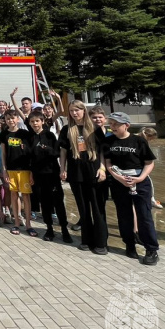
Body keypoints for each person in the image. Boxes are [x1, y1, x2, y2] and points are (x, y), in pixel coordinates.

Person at [103, 112, 159, 265]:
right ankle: (129, 244)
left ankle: (151, 249)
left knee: (144, 215)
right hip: (118, 182)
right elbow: (108, 163)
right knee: (124, 215)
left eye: (116, 124)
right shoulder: (108, 141)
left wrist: (140, 178)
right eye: (111, 123)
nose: (112, 126)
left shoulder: (139, 141)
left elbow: (149, 162)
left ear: (126, 125)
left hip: (139, 182)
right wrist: (118, 177)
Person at [58, 100, 108, 255]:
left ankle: (101, 243)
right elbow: (64, 151)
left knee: (98, 208)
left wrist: (102, 168)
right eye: (72, 111)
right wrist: (63, 169)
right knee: (83, 209)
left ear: (84, 111)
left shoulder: (94, 128)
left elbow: (103, 151)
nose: (74, 113)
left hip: (94, 172)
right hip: (76, 173)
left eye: (77, 110)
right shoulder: (67, 129)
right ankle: (86, 240)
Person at [28, 112, 71, 243]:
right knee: (45, 202)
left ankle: (64, 229)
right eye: (32, 121)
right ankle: (49, 228)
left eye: (37, 121)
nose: (35, 124)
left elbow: (57, 152)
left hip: (51, 173)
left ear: (42, 121)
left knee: (58, 201)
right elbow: (30, 158)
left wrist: (46, 149)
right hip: (38, 175)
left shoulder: (49, 135)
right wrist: (31, 174)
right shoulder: (31, 138)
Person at [0, 111, 36, 237]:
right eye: (8, 118)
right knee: (14, 195)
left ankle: (28, 224)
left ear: (17, 119)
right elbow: (3, 154)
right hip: (11, 170)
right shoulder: (4, 134)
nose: (11, 120)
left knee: (26, 196)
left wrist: (31, 171)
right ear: (5, 120)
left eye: (13, 118)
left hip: (25, 169)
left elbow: (31, 154)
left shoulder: (25, 134)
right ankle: (16, 222)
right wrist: (4, 170)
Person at [140, 128, 163, 209]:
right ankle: (152, 201)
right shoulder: (142, 141)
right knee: (149, 184)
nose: (151, 140)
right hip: (139, 166)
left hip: (139, 166)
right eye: (151, 139)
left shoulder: (141, 139)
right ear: (148, 136)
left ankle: (150, 200)